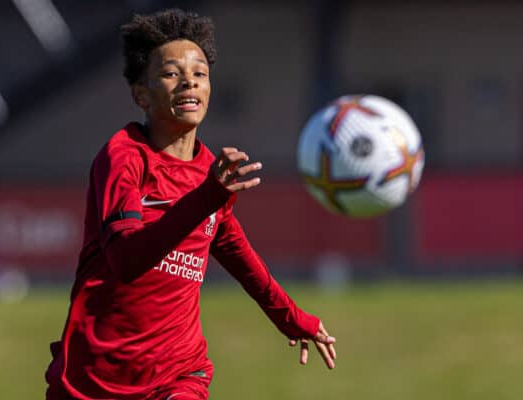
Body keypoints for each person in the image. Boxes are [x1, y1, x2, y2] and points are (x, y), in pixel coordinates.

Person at [45, 8, 336, 400]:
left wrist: (291, 318)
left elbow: (236, 250)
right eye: (171, 74)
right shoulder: (124, 157)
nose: (189, 83)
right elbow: (127, 260)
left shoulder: (209, 173)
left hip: (179, 373)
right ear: (141, 95)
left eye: (200, 74)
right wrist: (208, 196)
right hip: (96, 377)